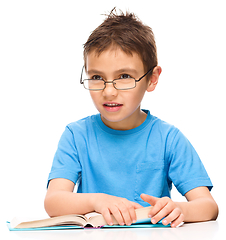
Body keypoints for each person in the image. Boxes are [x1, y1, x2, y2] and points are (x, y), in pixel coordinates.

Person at [44, 9, 218, 228]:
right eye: (97, 77)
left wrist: (179, 209)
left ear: (152, 79)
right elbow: (53, 201)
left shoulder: (168, 138)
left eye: (124, 77)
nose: (109, 92)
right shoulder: (76, 135)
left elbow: (208, 206)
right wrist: (96, 200)